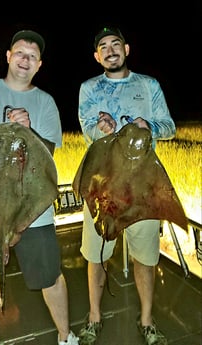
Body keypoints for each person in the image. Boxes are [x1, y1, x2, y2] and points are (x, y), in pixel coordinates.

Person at [0, 29, 79, 345]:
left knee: (50, 277)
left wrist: (30, 131)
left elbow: (47, 156)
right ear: (8, 56)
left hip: (31, 211)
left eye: (32, 56)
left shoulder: (45, 103)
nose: (25, 60)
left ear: (39, 65)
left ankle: (66, 337)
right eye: (20, 53)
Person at [77, 26, 176, 345]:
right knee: (96, 257)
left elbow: (170, 127)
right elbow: (86, 130)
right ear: (97, 56)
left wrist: (150, 126)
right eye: (102, 46)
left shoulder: (149, 86)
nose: (109, 50)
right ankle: (94, 316)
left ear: (127, 49)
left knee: (145, 259)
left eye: (115, 44)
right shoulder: (89, 88)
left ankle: (147, 321)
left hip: (143, 190)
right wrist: (99, 129)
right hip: (101, 187)